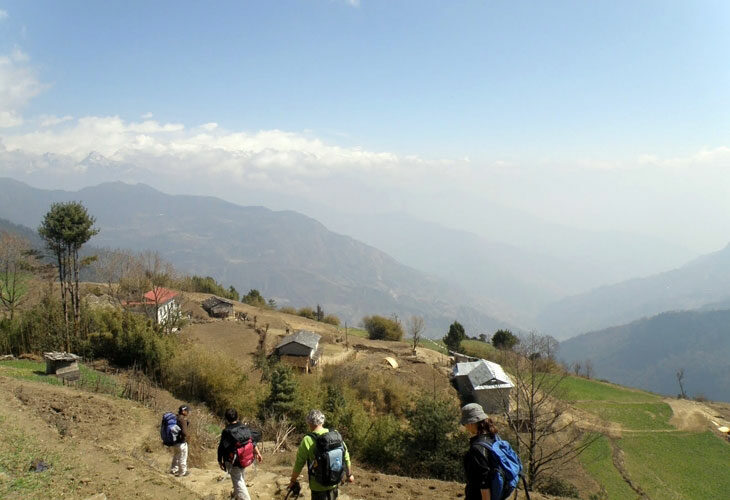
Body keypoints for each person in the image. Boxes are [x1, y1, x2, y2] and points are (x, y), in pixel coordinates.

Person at [289, 409, 354, 500]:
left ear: (309, 422)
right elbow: (345, 455)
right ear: (322, 421)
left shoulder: (307, 440)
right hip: (334, 481)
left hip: (317, 486)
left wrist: (293, 480)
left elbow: (299, 464)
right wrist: (349, 475)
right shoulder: (334, 434)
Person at [217, 408, 263, 500]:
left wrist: (220, 460)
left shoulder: (227, 431)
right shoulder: (244, 427)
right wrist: (258, 453)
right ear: (237, 417)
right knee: (240, 476)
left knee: (238, 480)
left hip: (234, 461)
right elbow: (252, 441)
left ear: (226, 419)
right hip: (245, 458)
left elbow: (222, 447)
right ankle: (236, 495)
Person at [461, 403, 499, 500]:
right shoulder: (494, 438)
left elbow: (484, 481)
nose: (465, 426)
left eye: (465, 423)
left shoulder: (477, 448)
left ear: (471, 423)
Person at [170, 405, 190, 477]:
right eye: (187, 411)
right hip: (181, 442)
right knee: (182, 457)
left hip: (175, 441)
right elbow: (184, 432)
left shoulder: (175, 418)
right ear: (183, 411)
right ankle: (182, 472)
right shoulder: (182, 420)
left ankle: (173, 470)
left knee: (176, 456)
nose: (188, 412)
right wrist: (185, 437)